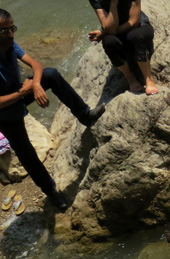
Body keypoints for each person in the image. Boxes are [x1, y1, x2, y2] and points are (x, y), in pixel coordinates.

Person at [0, 9, 105, 210]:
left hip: (21, 92)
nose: (11, 33)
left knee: (51, 74)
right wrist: (23, 93)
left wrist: (37, 85)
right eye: (5, 31)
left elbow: (36, 65)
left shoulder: (9, 45)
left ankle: (85, 115)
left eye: (12, 28)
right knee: (26, 152)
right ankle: (50, 191)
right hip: (5, 113)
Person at [88, 0, 158, 95]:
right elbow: (107, 26)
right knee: (109, 41)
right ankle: (130, 78)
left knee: (134, 36)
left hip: (139, 27)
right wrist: (113, 4)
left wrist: (105, 32)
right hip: (116, 31)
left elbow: (133, 22)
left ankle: (148, 79)